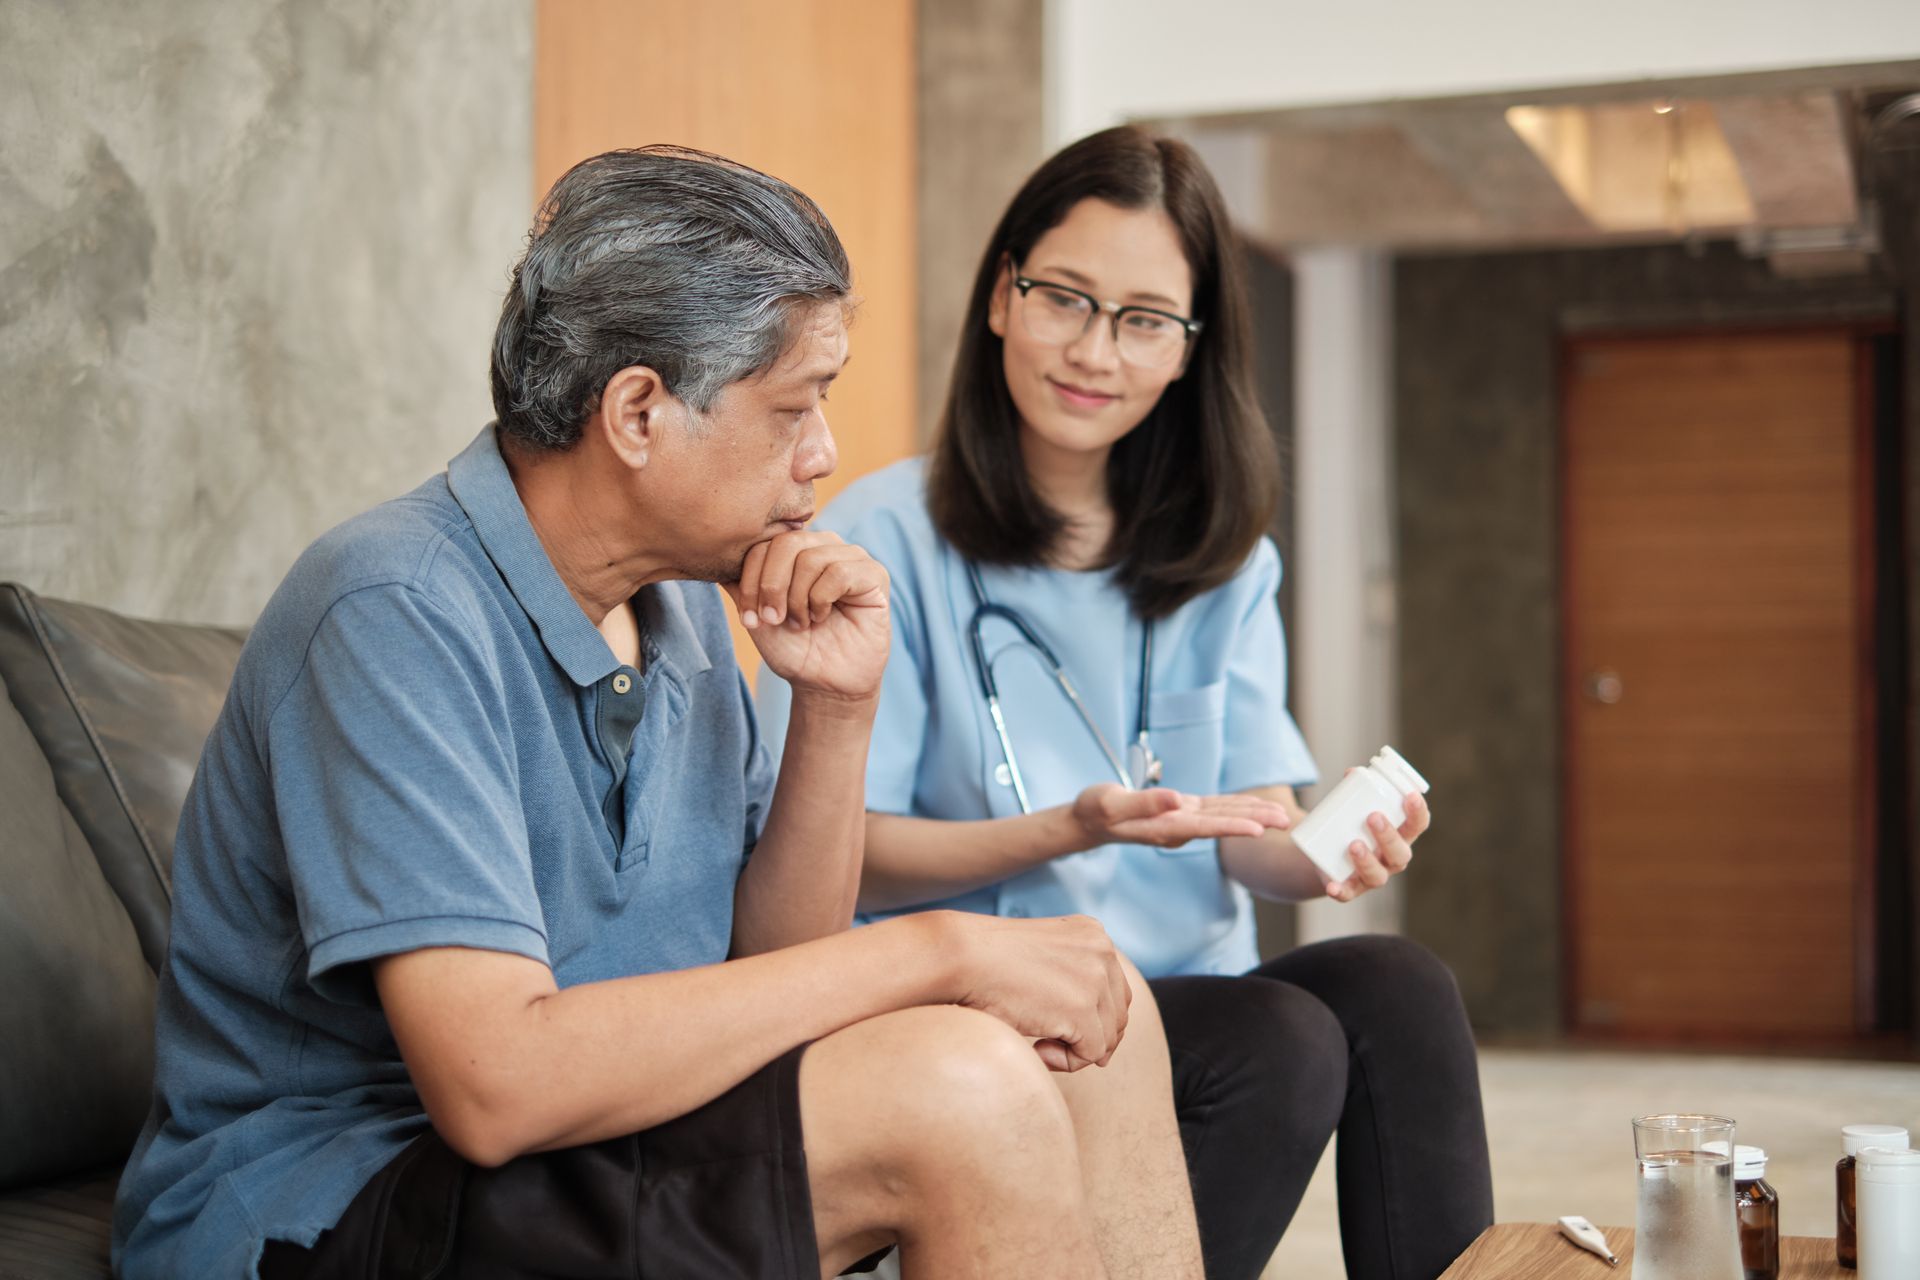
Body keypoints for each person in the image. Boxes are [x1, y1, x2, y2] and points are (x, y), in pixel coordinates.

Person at [110, 146, 1208, 1280]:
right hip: (344, 1196)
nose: (825, 455)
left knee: (1098, 1034)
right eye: (796, 406)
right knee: (957, 1082)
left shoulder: (678, 606)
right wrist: (939, 951)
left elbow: (775, 969)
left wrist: (836, 707)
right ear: (638, 410)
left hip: (597, 1138)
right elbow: (497, 1086)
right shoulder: (393, 605)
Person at [755, 126, 1495, 1280]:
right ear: (1003, 295)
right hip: (982, 998)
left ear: (1191, 348)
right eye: (1065, 298)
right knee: (1280, 1037)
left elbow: (1252, 832)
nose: (1096, 350)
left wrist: (1328, 855)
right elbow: (842, 859)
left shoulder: (1226, 562)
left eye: (1145, 318)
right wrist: (1073, 825)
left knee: (1397, 983)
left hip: (1184, 981)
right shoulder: (877, 538)